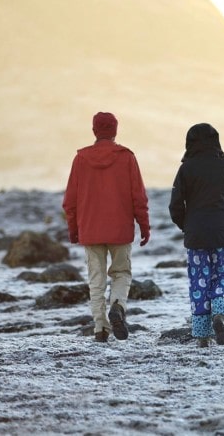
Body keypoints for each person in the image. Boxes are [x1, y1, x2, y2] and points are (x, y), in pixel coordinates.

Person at [63, 111, 151, 343]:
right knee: (121, 272)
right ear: (115, 131)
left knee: (96, 280)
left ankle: (100, 329)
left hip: (90, 230)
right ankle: (118, 306)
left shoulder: (81, 158)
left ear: (94, 131)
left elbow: (70, 201)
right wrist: (144, 225)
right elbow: (138, 197)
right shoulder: (127, 157)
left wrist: (74, 230)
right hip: (120, 229)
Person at [168, 123, 224, 348]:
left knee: (199, 282)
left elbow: (175, 205)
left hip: (196, 233)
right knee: (220, 275)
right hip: (221, 231)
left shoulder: (186, 169)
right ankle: (219, 311)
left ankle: (202, 336)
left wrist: (186, 225)